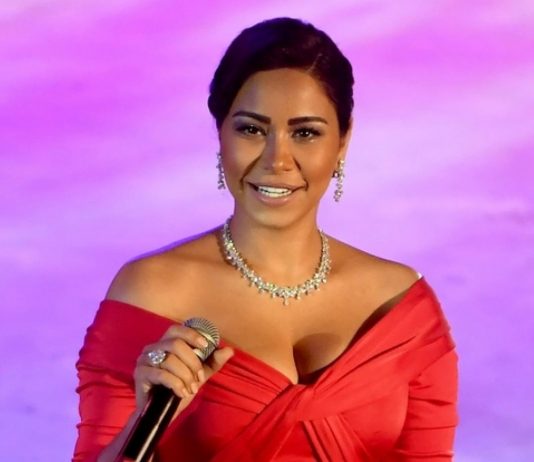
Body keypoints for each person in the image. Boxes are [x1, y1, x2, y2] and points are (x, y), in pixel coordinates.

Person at [73, 17, 458, 462]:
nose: (277, 160)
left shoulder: (401, 308)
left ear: (343, 141)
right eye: (252, 129)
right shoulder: (150, 293)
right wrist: (141, 424)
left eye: (305, 133)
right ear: (220, 134)